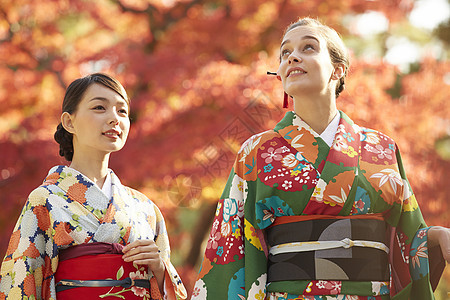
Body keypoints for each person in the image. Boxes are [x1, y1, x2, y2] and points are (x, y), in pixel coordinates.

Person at [191, 17, 449, 300]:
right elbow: (231, 244)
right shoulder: (256, 152)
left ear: (338, 69)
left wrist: (435, 237)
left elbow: (408, 235)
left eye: (308, 47)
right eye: (285, 53)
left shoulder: (382, 148)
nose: (293, 57)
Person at [0, 73, 187, 300]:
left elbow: (170, 289)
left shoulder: (145, 208)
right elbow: (20, 283)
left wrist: (159, 268)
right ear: (69, 122)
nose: (114, 118)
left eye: (122, 111)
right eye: (100, 107)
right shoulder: (45, 200)